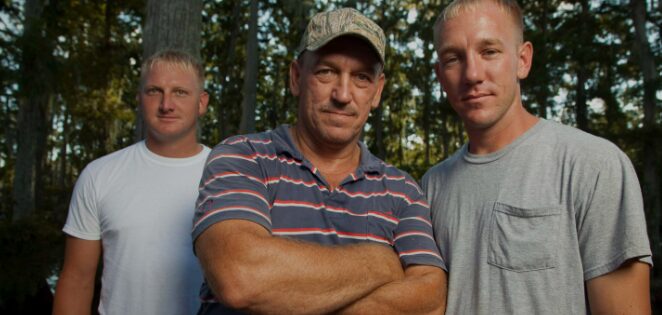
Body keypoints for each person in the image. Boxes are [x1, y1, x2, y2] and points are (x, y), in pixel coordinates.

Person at [193, 8, 447, 314]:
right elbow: (241, 276)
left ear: (377, 91)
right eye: (326, 72)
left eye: (361, 78)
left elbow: (431, 299)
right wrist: (381, 262)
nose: (342, 94)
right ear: (297, 77)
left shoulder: (401, 189)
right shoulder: (243, 157)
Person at [423, 0, 652, 314]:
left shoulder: (593, 165)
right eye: (453, 58)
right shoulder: (430, 187)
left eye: (489, 51)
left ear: (522, 60)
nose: (472, 73)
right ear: (440, 75)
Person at [52, 50, 210, 315]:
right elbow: (77, 281)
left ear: (202, 102)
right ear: (139, 99)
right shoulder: (99, 175)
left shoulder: (230, 176)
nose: (166, 104)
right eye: (154, 91)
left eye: (180, 92)